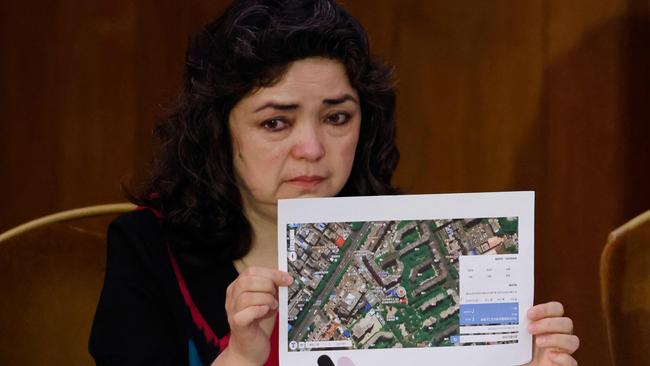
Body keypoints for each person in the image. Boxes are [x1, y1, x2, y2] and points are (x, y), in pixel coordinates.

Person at [89, 1, 580, 365]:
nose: (312, 148)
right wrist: (241, 356)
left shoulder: (411, 238)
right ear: (219, 132)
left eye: (337, 117)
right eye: (275, 123)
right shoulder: (148, 246)